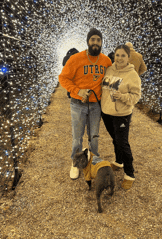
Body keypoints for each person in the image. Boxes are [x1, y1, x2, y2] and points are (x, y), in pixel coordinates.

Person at [59, 28, 112, 179]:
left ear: (101, 43)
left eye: (98, 40)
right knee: (77, 136)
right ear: (88, 41)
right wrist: (77, 90)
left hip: (96, 105)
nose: (95, 43)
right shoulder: (76, 58)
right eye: (93, 40)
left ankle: (93, 160)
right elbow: (63, 78)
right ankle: (75, 163)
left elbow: (113, 76)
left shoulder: (106, 61)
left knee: (94, 136)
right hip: (78, 103)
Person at [101, 44, 141, 190]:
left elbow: (136, 96)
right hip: (106, 113)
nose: (119, 58)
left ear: (128, 57)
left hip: (122, 115)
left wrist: (123, 97)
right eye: (117, 55)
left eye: (123, 55)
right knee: (115, 138)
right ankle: (119, 161)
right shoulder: (109, 69)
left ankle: (130, 173)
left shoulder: (132, 74)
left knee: (123, 142)